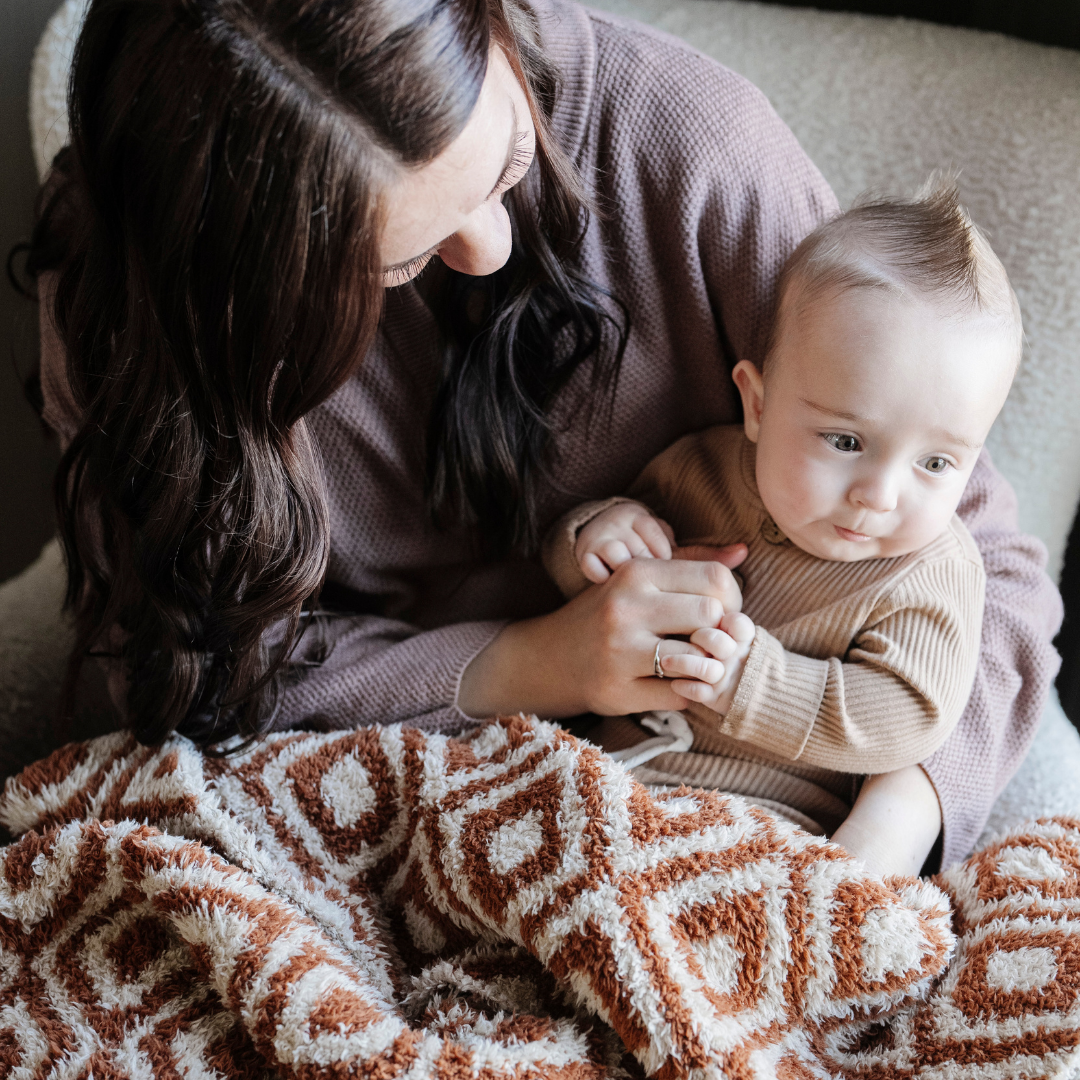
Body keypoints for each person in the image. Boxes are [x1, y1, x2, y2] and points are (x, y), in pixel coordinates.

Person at [30, 0, 1060, 872]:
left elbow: (987, 570)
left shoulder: (683, 148)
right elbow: (199, 673)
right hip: (424, 808)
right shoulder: (126, 311)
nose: (490, 250)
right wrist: (540, 664)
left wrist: (891, 828)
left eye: (507, 162)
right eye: (401, 258)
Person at [542, 183, 1020, 876]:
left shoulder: (932, 570)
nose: (880, 495)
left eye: (937, 463)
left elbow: (908, 713)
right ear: (759, 405)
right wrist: (593, 539)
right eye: (846, 442)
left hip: (768, 827)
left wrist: (752, 681)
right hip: (602, 772)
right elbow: (596, 599)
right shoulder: (699, 470)